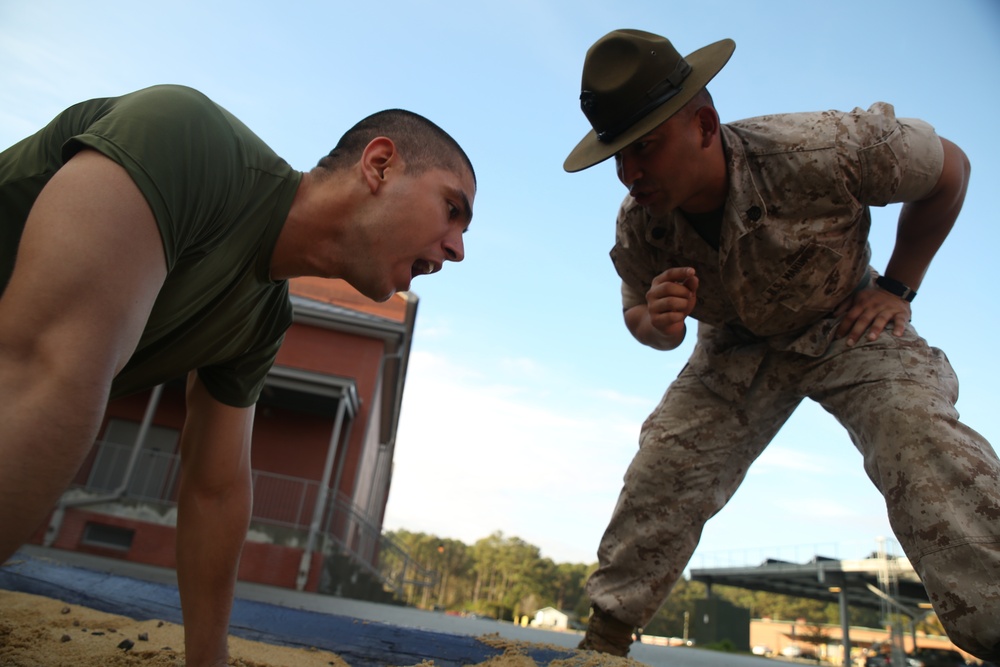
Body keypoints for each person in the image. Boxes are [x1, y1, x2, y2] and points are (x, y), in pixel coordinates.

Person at [0, 84, 476, 666]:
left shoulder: (260, 322)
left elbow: (216, 488)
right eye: (452, 210)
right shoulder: (184, 139)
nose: (456, 250)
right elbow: (40, 366)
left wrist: (208, 659)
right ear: (379, 165)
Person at [564, 29, 999, 659]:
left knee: (916, 432)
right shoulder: (641, 222)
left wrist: (899, 286)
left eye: (647, 148)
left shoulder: (820, 149)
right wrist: (656, 325)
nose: (631, 174)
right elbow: (637, 313)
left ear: (705, 124)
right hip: (734, 348)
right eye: (619, 156)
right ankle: (604, 640)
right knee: (665, 465)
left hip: (845, 321)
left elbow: (950, 169)